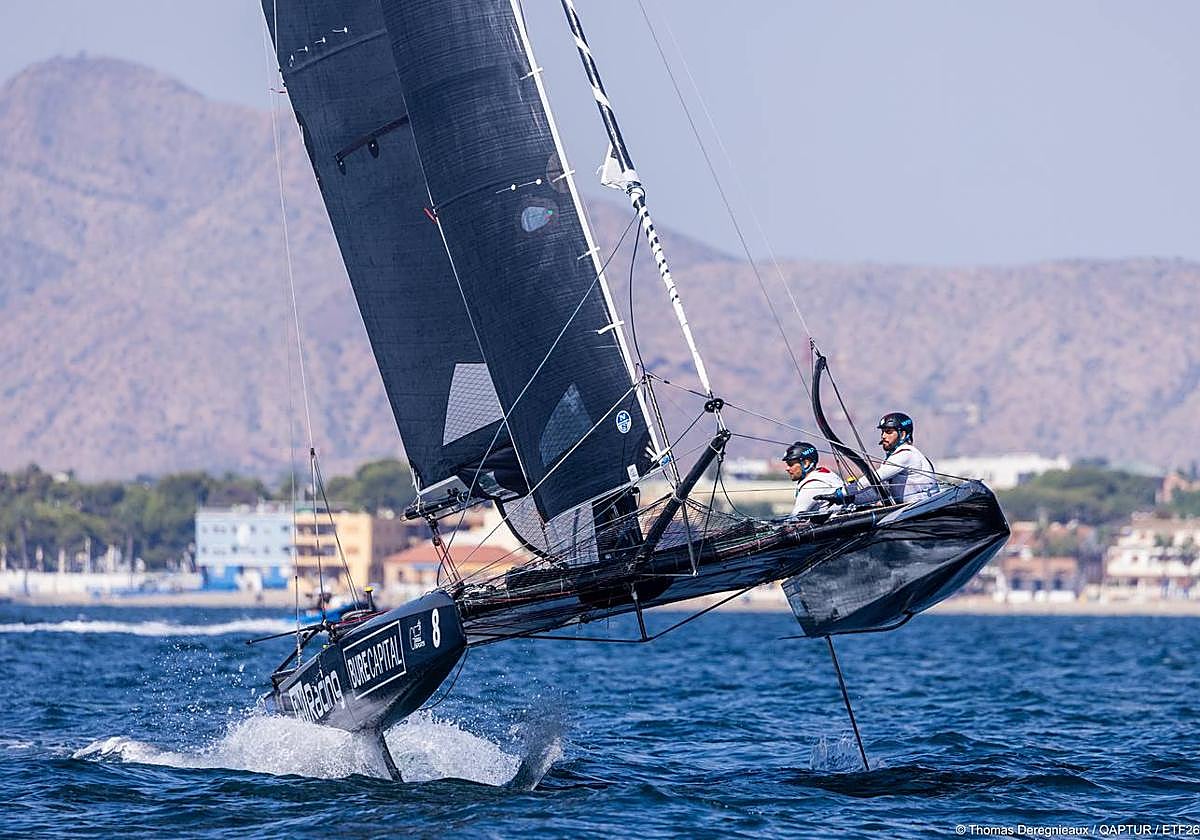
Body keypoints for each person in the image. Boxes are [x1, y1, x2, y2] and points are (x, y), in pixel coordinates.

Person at [827, 412, 937, 505]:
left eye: (889, 432)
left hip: (925, 511)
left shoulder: (907, 454)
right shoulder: (894, 458)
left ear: (903, 434)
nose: (883, 436)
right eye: (883, 432)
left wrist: (843, 492)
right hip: (911, 511)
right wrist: (850, 499)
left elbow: (873, 479)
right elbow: (879, 491)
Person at [782, 440, 846, 516]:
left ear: (806, 463)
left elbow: (794, 519)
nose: (787, 468)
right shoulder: (826, 474)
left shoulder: (812, 485)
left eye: (790, 464)